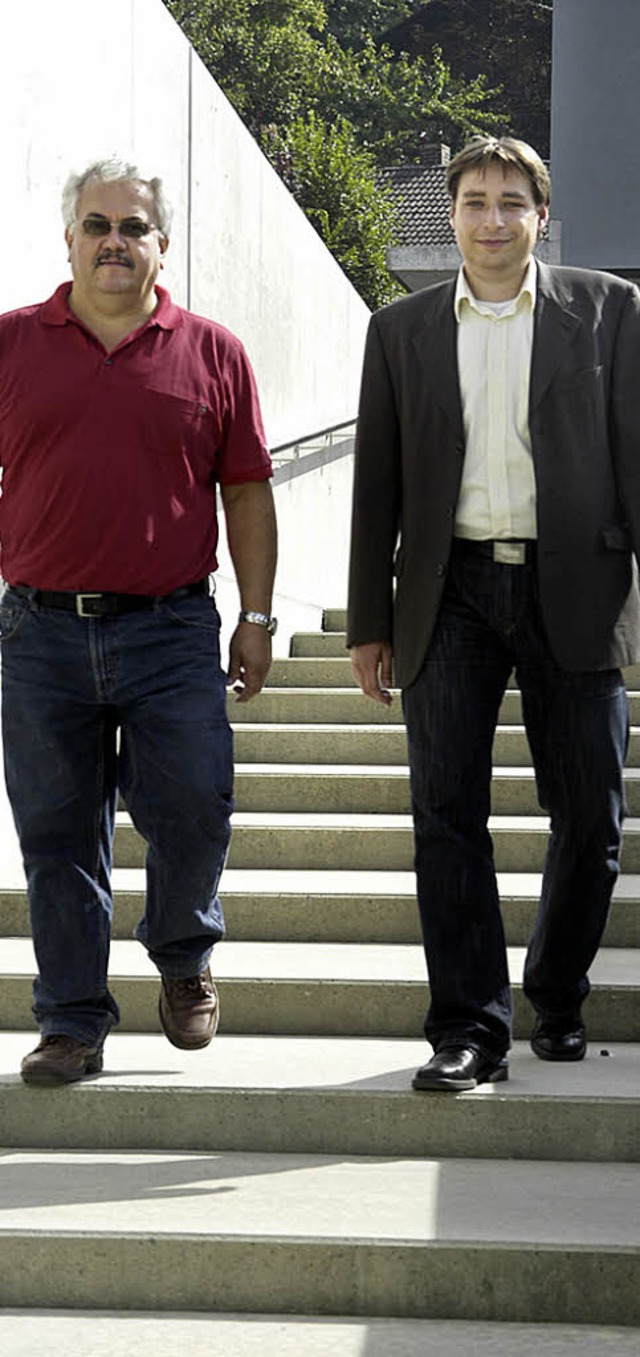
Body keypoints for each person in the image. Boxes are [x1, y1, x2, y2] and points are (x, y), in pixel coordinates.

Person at [347, 135, 640, 1091]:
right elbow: (378, 486)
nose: (493, 219)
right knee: (446, 814)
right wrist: (368, 621)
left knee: (591, 815)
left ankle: (556, 990)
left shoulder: (610, 311)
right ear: (453, 214)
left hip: (577, 588)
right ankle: (468, 1027)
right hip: (450, 591)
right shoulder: (401, 329)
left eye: (512, 202)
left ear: (540, 217)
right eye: (475, 201)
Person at [0, 157, 277, 1086]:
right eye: (96, 223)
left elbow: (245, 491)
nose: (113, 240)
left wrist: (259, 615)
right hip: (38, 634)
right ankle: (71, 1020)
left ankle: (184, 953)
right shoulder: (10, 345)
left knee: (195, 803)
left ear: (163, 244)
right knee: (57, 831)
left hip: (170, 631)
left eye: (134, 226)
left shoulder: (213, 352)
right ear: (69, 238)